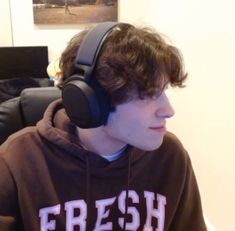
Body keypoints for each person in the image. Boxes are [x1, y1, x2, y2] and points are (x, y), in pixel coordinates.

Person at [0, 22, 207, 231]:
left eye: (163, 91)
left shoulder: (169, 156)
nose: (168, 110)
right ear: (89, 100)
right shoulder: (18, 160)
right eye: (148, 95)